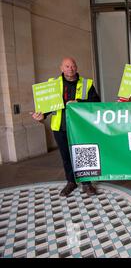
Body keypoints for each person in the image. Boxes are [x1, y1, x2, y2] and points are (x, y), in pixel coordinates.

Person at [31, 57, 101, 197]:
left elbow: (96, 102)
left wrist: (79, 102)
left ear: (77, 67)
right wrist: (42, 116)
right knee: (66, 157)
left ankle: (86, 183)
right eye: (67, 66)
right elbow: (48, 105)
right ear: (61, 68)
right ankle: (71, 182)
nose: (70, 68)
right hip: (60, 126)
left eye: (73, 65)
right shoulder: (53, 84)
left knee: (84, 154)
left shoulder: (87, 84)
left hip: (80, 127)